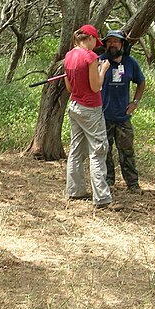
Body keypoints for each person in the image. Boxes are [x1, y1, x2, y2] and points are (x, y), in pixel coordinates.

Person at [64, 24, 121, 210]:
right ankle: (102, 198)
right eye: (94, 41)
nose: (95, 45)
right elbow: (96, 86)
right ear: (89, 38)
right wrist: (103, 69)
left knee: (76, 149)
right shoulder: (90, 57)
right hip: (90, 108)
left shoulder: (69, 55)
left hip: (74, 106)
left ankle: (75, 190)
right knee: (98, 151)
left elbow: (69, 88)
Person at [99, 30, 146, 193]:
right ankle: (108, 181)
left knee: (127, 151)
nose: (113, 44)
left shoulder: (130, 63)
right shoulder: (100, 61)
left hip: (123, 116)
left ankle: (132, 184)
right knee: (104, 151)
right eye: (109, 41)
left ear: (122, 44)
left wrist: (135, 102)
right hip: (103, 115)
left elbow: (141, 82)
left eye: (116, 41)